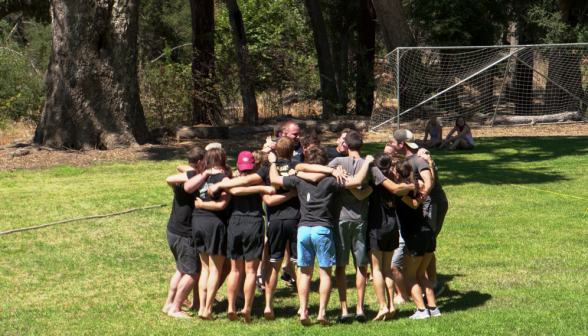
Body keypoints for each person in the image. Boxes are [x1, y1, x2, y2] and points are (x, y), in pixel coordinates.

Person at [269, 145, 375, 326]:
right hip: (323, 229)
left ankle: (303, 310)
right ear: (324, 162)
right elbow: (358, 179)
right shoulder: (332, 180)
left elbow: (274, 179)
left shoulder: (297, 179)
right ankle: (321, 313)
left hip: (303, 230)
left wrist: (272, 162)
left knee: (304, 272)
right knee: (325, 273)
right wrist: (368, 162)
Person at [223, 151, 276, 323]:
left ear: (238, 165)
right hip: (253, 222)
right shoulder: (258, 179)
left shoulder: (231, 181)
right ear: (254, 165)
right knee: (251, 270)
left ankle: (231, 307)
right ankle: (247, 307)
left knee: (235, 270)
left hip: (235, 222)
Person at [162, 147, 212, 318]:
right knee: (192, 272)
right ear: (200, 162)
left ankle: (168, 303)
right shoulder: (194, 179)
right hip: (184, 233)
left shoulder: (183, 178)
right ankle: (175, 308)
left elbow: (176, 172)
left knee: (181, 270)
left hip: (173, 230)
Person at [366, 153, 415, 321]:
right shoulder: (396, 182)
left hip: (376, 227)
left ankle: (382, 307)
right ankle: (392, 305)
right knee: (387, 269)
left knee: (377, 269)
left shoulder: (374, 180)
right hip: (393, 227)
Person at [393, 159, 440, 319]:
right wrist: (430, 167)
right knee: (421, 275)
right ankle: (433, 309)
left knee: (410, 276)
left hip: (415, 236)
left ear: (398, 174)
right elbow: (429, 183)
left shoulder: (400, 191)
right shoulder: (419, 185)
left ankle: (421, 310)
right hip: (428, 234)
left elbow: (412, 204)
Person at [189, 148, 232, 320]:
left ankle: (201, 308)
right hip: (214, 224)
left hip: (197, 223)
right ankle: (207, 310)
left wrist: (199, 205)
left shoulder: (200, 177)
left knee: (205, 269)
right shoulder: (224, 178)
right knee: (215, 269)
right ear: (222, 159)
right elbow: (222, 205)